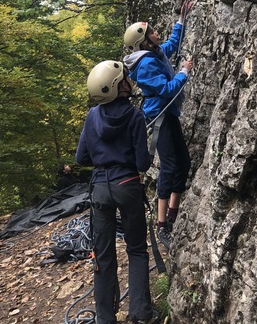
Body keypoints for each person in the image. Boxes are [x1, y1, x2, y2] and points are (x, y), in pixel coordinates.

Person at [75, 60, 158, 324]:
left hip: (100, 188)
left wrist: (103, 158)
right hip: (127, 185)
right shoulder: (134, 116)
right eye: (125, 78)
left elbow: (81, 158)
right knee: (136, 249)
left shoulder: (92, 116)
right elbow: (142, 164)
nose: (130, 80)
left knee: (103, 253)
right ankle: (141, 314)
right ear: (119, 86)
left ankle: (104, 318)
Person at [123, 2, 193, 250]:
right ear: (144, 42)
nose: (157, 33)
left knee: (184, 163)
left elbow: (172, 45)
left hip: (168, 115)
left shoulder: (153, 54)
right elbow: (166, 90)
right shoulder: (145, 65)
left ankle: (172, 213)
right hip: (161, 117)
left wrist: (181, 20)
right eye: (152, 32)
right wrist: (184, 72)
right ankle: (162, 224)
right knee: (170, 166)